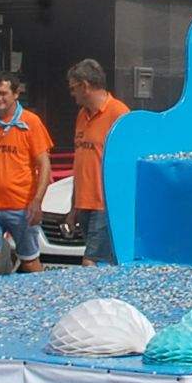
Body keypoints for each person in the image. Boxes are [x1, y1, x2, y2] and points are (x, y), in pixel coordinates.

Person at [0, 75, 52, 277]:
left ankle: (42, 300)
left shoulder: (31, 122)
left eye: (3, 93)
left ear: (16, 94)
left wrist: (37, 201)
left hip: (21, 205)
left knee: (30, 262)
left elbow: (45, 165)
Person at [63, 58, 129, 264]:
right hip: (84, 202)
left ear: (85, 86)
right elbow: (81, 162)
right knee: (102, 262)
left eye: (74, 89)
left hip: (104, 203)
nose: (72, 94)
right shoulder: (82, 115)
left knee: (89, 261)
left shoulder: (119, 114)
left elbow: (126, 163)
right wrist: (73, 207)